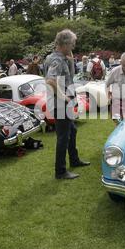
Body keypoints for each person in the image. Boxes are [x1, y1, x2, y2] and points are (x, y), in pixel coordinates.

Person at [45, 29, 90, 180]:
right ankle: (60, 171)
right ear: (64, 44)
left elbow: (68, 78)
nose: (73, 46)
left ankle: (74, 160)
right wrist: (63, 96)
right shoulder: (56, 60)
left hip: (65, 104)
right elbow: (50, 80)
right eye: (72, 43)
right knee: (63, 137)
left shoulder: (62, 58)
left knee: (72, 131)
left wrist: (70, 61)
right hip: (60, 105)